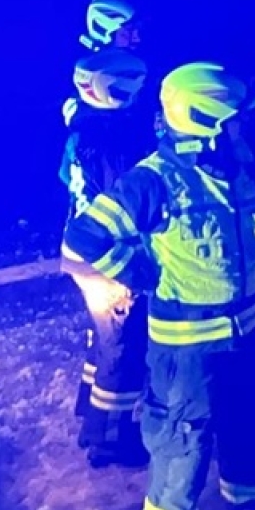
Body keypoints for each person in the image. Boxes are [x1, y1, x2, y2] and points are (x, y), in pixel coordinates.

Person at [60, 63, 255, 510]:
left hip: (245, 344)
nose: (242, 127)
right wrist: (139, 274)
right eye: (234, 119)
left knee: (250, 443)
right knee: (181, 456)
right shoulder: (154, 179)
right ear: (207, 118)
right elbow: (80, 243)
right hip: (186, 357)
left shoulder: (239, 168)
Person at [59, 47, 158, 467]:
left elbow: (66, 177)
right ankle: (110, 439)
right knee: (124, 345)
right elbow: (125, 198)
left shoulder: (84, 129)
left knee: (105, 341)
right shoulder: (111, 141)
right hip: (108, 258)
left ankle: (91, 410)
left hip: (85, 250)